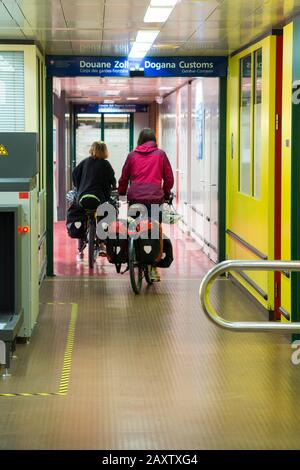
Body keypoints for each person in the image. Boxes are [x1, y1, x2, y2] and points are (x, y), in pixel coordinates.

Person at [118, 128, 174, 281]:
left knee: (134, 229)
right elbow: (169, 178)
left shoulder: (132, 155)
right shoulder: (160, 155)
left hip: (135, 199)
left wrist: (122, 191)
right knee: (154, 231)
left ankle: (134, 255)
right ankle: (154, 268)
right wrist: (166, 193)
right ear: (154, 140)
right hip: (155, 199)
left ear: (140, 140)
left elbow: (124, 177)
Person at [72, 141, 116, 260]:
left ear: (92, 149)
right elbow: (112, 179)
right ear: (105, 151)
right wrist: (113, 186)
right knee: (106, 212)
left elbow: (74, 174)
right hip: (98, 198)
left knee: (82, 215)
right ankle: (102, 243)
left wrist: (79, 186)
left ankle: (80, 249)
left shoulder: (85, 162)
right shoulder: (106, 164)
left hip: (82, 197)